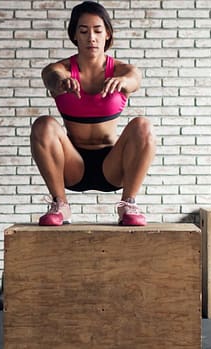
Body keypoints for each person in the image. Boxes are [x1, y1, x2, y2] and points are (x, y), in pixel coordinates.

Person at [31, 1, 156, 226]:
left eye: (98, 31)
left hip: (113, 166)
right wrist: (60, 82)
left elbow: (135, 79)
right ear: (74, 36)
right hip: (72, 164)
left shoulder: (121, 70)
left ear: (107, 34)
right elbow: (50, 75)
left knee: (143, 125)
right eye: (83, 31)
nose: (91, 38)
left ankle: (128, 204)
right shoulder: (61, 70)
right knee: (43, 124)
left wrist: (124, 81)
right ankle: (60, 205)